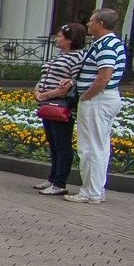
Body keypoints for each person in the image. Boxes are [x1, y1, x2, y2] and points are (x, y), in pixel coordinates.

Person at [64, 8, 127, 205]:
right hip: (103, 99)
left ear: (100, 23)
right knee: (98, 146)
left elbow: (103, 76)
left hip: (98, 100)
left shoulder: (106, 45)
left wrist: (86, 95)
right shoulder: (109, 43)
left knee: (91, 147)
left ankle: (90, 191)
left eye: (91, 21)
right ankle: (96, 188)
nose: (88, 24)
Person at [31, 23, 86, 197]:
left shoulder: (77, 57)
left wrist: (46, 95)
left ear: (70, 39)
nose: (57, 38)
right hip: (47, 104)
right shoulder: (59, 56)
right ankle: (52, 177)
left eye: (60, 36)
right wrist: (37, 90)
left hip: (60, 105)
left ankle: (60, 182)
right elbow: (45, 76)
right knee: (53, 142)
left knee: (62, 144)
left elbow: (70, 85)